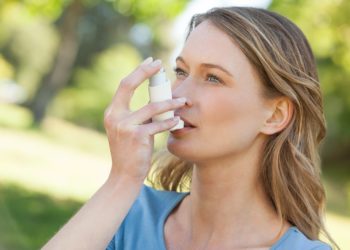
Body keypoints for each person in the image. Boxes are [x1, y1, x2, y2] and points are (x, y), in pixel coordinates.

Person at [42, 7, 338, 250]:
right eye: (181, 72)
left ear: (275, 115)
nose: (177, 95)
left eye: (213, 78)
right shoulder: (126, 214)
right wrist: (122, 180)